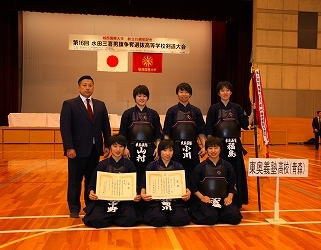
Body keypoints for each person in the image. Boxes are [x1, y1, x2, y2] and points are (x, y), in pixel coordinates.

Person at [60, 75, 111, 218]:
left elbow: (105, 127)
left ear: (93, 87)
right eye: (84, 85)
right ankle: (74, 208)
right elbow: (65, 128)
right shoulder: (69, 104)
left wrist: (107, 145)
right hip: (76, 150)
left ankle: (90, 205)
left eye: (90, 85)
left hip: (95, 150)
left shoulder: (100, 105)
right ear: (79, 87)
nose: (88, 88)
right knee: (75, 180)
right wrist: (69, 147)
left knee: (91, 180)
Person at [205, 81, 253, 208]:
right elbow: (209, 129)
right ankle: (219, 198)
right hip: (219, 146)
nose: (225, 93)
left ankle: (236, 200)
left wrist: (254, 111)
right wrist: (211, 147)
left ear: (231, 92)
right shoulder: (214, 108)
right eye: (222, 90)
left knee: (236, 172)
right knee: (219, 172)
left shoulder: (237, 108)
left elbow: (246, 124)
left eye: (227, 90)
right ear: (218, 93)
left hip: (234, 146)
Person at [82, 134, 142, 228]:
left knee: (129, 218)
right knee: (96, 220)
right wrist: (91, 193)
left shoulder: (130, 165)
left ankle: (111, 218)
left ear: (125, 148)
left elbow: (136, 185)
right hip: (105, 201)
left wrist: (136, 195)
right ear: (110, 147)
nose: (118, 149)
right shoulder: (102, 165)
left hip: (124, 202)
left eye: (121, 146)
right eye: (115, 146)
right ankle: (114, 218)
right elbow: (92, 184)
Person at [188, 137, 242, 225]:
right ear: (206, 150)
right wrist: (202, 197)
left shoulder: (227, 166)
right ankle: (216, 215)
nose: (213, 151)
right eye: (210, 148)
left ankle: (218, 215)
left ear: (220, 149)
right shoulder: (200, 167)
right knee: (210, 217)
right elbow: (193, 187)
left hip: (223, 200)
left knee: (234, 216)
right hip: (206, 201)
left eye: (216, 148)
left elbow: (232, 186)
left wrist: (229, 197)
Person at [119, 85, 163, 190]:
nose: (141, 98)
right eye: (139, 96)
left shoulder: (153, 114)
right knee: (132, 175)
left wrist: (158, 147)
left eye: (144, 96)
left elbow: (158, 134)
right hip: (132, 150)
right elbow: (123, 133)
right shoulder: (127, 114)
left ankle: (147, 201)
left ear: (148, 98)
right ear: (135, 97)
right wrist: (124, 147)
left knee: (148, 175)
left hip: (149, 150)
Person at [140, 139, 191, 227]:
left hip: (174, 201)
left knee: (179, 219)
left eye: (170, 150)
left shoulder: (178, 166)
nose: (168, 153)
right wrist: (142, 194)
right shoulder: (151, 166)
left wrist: (188, 193)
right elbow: (144, 184)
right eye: (165, 150)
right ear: (159, 151)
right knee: (158, 219)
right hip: (156, 201)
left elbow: (185, 185)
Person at [163, 82, 206, 182]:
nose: (184, 94)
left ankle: (193, 196)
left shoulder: (196, 111)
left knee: (193, 175)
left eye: (186, 92)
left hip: (192, 148)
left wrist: (204, 146)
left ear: (190, 94)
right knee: (176, 174)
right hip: (176, 149)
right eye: (181, 92)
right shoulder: (172, 111)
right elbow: (166, 132)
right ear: (177, 94)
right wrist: (167, 149)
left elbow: (201, 131)